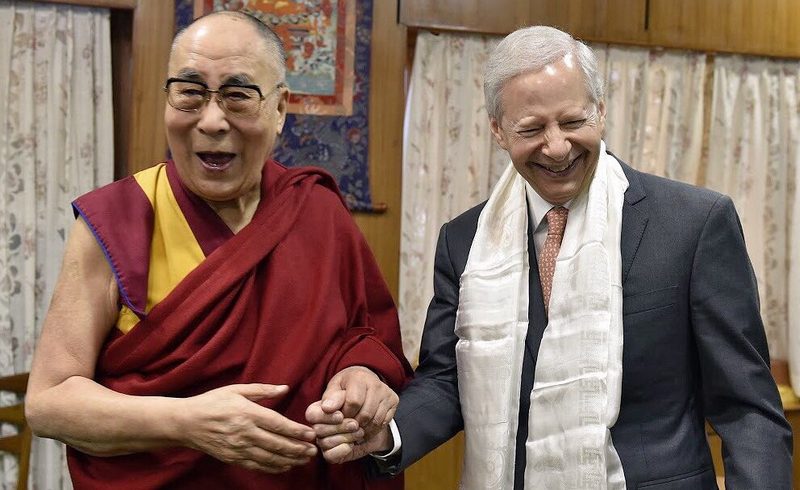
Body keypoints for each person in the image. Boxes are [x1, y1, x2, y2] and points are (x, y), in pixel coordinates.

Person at [310, 25, 793, 489]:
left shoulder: (692, 224)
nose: (557, 147)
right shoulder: (464, 241)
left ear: (600, 111)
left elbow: (747, 407)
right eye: (531, 128)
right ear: (498, 131)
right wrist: (385, 435)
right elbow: (446, 380)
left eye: (573, 121)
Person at [25, 10, 411, 490]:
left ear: (279, 109)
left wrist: (361, 377)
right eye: (189, 93)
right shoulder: (119, 220)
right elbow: (48, 404)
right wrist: (188, 422)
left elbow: (366, 339)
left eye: (238, 95)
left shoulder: (318, 213)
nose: (211, 120)